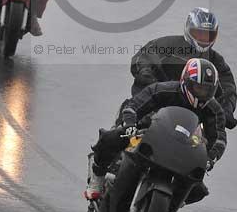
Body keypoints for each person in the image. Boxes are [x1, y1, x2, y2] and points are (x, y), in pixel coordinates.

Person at [85, 58, 227, 200]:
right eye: (198, 87)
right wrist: (130, 123)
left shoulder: (214, 110)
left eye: (207, 89)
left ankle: (171, 205)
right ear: (187, 81)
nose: (202, 93)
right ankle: (97, 177)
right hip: (149, 130)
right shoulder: (164, 89)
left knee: (198, 191)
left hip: (184, 146)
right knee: (112, 138)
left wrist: (210, 156)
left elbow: (219, 138)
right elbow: (135, 105)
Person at [130, 8, 237, 129]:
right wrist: (146, 75)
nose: (203, 39)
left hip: (194, 111)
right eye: (199, 33)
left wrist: (227, 109)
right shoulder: (168, 44)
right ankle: (118, 134)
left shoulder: (216, 61)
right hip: (156, 101)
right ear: (188, 29)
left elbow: (228, 86)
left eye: (208, 35)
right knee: (133, 118)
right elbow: (142, 56)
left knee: (211, 135)